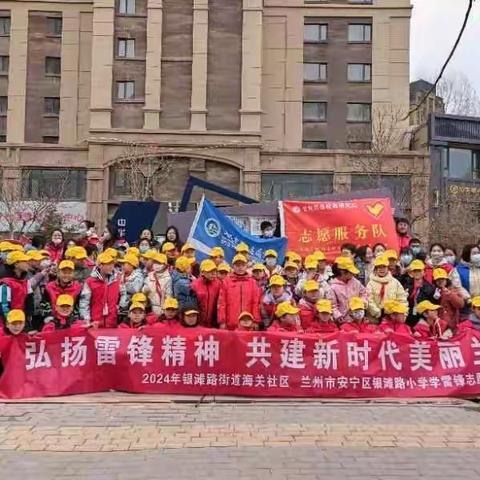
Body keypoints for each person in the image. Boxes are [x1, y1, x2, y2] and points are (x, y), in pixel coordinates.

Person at [217, 254, 261, 330]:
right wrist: (222, 321)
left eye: (242, 265)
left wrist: (256, 321)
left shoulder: (252, 282)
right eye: (237, 265)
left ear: (246, 266)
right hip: (230, 324)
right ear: (233, 266)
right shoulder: (226, 282)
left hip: (248, 324)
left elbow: (255, 303)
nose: (240, 267)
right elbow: (222, 303)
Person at [79, 252, 120, 328]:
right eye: (107, 264)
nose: (111, 266)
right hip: (95, 323)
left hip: (113, 323)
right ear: (100, 265)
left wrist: (119, 307)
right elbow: (84, 303)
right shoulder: (90, 281)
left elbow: (123, 295)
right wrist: (87, 320)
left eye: (112, 264)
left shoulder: (117, 279)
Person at [366, 254, 408, 323]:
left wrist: (402, 314)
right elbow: (369, 300)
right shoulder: (370, 284)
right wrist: (378, 313)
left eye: (384, 267)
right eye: (379, 267)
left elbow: (402, 299)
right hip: (374, 320)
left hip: (392, 319)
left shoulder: (395, 283)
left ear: (387, 268)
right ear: (375, 269)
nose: (381, 269)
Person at [330, 257, 367, 324]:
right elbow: (333, 305)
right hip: (344, 320)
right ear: (343, 272)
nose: (353, 274)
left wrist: (362, 302)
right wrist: (338, 316)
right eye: (351, 272)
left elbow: (364, 293)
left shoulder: (355, 282)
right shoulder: (333, 287)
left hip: (358, 318)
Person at [400, 259, 436, 327]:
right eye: (414, 271)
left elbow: (432, 306)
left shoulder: (430, 288)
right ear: (411, 273)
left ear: (424, 272)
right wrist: (403, 273)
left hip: (421, 319)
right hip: (406, 316)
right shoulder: (406, 284)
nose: (417, 273)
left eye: (419, 270)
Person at [0, 251, 32, 324]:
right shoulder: (5, 282)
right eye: (25, 261)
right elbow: (4, 306)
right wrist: (11, 322)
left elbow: (29, 299)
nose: (28, 263)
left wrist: (28, 316)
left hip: (22, 319)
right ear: (16, 264)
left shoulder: (25, 280)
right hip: (10, 322)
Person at [432, 267, 464, 333]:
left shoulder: (454, 290)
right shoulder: (432, 292)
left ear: (446, 280)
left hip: (452, 326)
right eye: (438, 280)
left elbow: (460, 305)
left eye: (442, 279)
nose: (440, 281)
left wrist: (450, 294)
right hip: (437, 325)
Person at [191, 259, 221, 328]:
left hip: (213, 323)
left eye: (214, 271)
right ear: (202, 272)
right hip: (198, 323)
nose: (213, 274)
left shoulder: (218, 284)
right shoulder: (194, 285)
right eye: (210, 271)